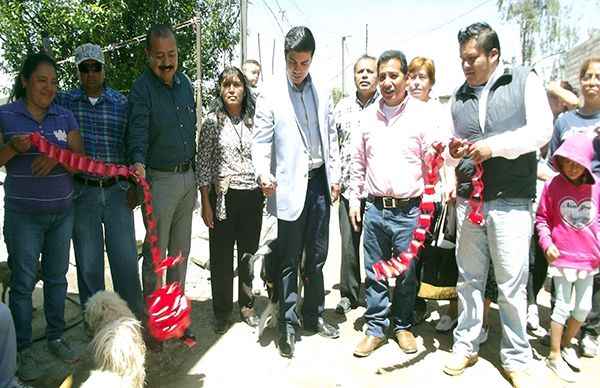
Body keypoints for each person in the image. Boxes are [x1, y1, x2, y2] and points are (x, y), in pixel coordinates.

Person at [442, 22, 553, 387]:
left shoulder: (523, 81)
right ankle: (466, 344)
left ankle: (516, 357)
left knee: (511, 285)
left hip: (511, 201)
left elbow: (541, 131)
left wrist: (496, 147)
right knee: (469, 280)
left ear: (493, 54)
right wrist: (452, 151)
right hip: (469, 201)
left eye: (472, 58)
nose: (466, 66)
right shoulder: (458, 96)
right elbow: (447, 148)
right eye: (462, 59)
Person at [252, 26, 341, 358]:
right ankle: (287, 325)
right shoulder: (270, 94)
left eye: (304, 62)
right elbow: (260, 142)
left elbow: (330, 137)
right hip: (289, 185)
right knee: (289, 259)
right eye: (292, 62)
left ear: (311, 59)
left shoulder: (324, 89)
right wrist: (263, 172)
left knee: (317, 256)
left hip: (319, 182)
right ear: (284, 59)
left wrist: (336, 177)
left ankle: (313, 314)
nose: (298, 68)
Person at [0, 52, 85, 381]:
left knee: (57, 278)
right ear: (25, 81)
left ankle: (56, 336)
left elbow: (80, 159)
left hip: (62, 213)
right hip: (24, 217)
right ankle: (22, 350)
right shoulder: (6, 115)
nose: (48, 88)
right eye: (41, 81)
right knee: (22, 285)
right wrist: (13, 149)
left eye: (53, 82)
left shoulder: (64, 116)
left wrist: (57, 157)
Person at [349, 50, 438, 358]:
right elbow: (357, 163)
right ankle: (374, 328)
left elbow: (432, 160)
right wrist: (354, 199)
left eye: (393, 75)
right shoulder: (366, 117)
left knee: (406, 273)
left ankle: (401, 326)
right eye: (382, 75)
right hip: (374, 208)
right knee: (374, 272)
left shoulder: (422, 115)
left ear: (405, 77)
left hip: (410, 211)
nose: (387, 82)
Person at [55, 43, 144, 324]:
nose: (91, 73)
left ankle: (131, 319)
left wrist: (135, 183)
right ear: (78, 71)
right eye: (85, 68)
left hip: (117, 191)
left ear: (104, 69)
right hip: (83, 192)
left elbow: (131, 146)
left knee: (126, 263)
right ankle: (95, 323)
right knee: (89, 265)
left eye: (96, 67)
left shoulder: (121, 104)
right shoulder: (65, 103)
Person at [127, 24, 197, 348]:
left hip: (188, 180)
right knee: (157, 259)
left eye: (171, 55)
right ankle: (155, 324)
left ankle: (176, 321)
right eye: (159, 56)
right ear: (148, 56)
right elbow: (137, 132)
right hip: (159, 182)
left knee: (180, 256)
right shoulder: (141, 88)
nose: (166, 62)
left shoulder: (186, 85)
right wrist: (137, 162)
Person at [196, 67, 262, 334]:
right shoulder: (212, 121)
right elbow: (204, 164)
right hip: (222, 196)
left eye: (237, 84)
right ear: (220, 90)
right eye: (226, 85)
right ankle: (221, 311)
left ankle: (247, 307)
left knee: (247, 254)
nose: (232, 89)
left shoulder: (255, 119)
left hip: (252, 196)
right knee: (221, 256)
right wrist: (205, 202)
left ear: (245, 89)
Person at [536, 132, 600, 382]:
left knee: (583, 308)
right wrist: (546, 243)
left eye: (578, 162)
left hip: (589, 260)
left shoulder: (596, 189)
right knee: (561, 306)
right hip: (561, 258)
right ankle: (553, 356)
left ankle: (565, 344)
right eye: (567, 161)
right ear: (560, 160)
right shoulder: (552, 186)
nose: (572, 168)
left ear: (587, 162)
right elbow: (542, 218)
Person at [547, 57, 600, 358]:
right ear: (580, 80)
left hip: (597, 200)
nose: (593, 81)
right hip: (566, 200)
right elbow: (553, 158)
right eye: (588, 76)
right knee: (564, 265)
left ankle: (588, 331)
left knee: (594, 269)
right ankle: (558, 330)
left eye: (598, 77)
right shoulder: (566, 121)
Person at [406, 56, 458, 330]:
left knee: (424, 253)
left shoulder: (438, 113)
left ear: (431, 82)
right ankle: (407, 303)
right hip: (404, 193)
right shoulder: (399, 109)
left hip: (430, 194)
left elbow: (447, 154)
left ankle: (419, 304)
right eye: (412, 76)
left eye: (422, 77)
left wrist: (449, 182)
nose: (416, 82)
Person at [333, 54, 378, 315]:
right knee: (349, 243)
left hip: (375, 191)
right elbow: (334, 148)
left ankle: (375, 296)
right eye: (359, 71)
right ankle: (349, 294)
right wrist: (336, 181)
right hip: (350, 188)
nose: (364, 75)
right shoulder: (342, 107)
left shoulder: (384, 106)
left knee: (375, 247)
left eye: (369, 71)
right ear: (353, 76)